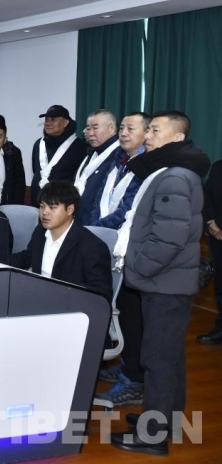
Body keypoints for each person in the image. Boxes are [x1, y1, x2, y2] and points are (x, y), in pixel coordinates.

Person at [110, 111, 210, 456]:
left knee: (157, 359)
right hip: (167, 282)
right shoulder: (170, 171)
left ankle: (153, 436)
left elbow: (168, 239)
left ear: (177, 138)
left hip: (163, 282)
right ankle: (167, 421)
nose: (148, 135)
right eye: (149, 129)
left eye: (155, 130)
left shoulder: (175, 177)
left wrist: (138, 268)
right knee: (169, 356)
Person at [92, 112, 150, 408]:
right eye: (123, 128)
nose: (124, 133)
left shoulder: (147, 167)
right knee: (122, 312)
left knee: (132, 314)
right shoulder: (120, 159)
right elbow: (101, 198)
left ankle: (134, 380)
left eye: (131, 128)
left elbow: (127, 210)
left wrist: (98, 230)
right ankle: (127, 365)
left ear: (148, 134)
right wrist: (94, 228)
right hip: (105, 239)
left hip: (125, 246)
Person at [10, 180, 112, 302]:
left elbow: (102, 293)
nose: (45, 212)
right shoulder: (40, 232)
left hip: (70, 305)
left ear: (70, 209)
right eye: (42, 206)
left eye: (52, 208)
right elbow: (28, 257)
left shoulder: (93, 246)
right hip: (38, 298)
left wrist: (62, 293)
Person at [30, 105, 88, 206]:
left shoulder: (79, 147)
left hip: (62, 205)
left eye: (53, 120)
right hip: (37, 203)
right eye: (47, 120)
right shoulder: (38, 144)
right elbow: (36, 170)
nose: (48, 123)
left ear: (65, 123)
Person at [74, 110, 120, 226]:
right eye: (88, 128)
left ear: (111, 128)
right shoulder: (92, 153)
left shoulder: (119, 156)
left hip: (99, 223)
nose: (90, 133)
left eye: (95, 128)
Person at [197, 158, 222, 345]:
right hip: (217, 235)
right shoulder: (218, 166)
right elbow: (208, 196)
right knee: (220, 285)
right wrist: (212, 223)